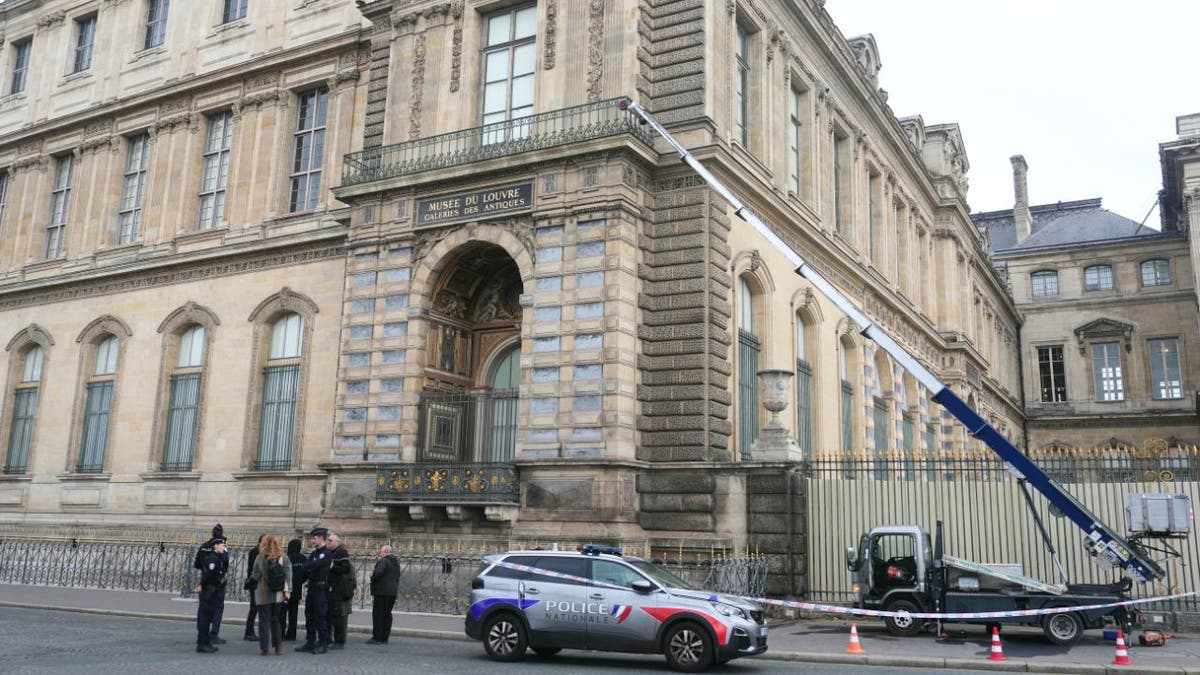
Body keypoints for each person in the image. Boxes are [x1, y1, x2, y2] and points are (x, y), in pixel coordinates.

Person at [249, 534, 292, 656]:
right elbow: (288, 574)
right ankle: (278, 646)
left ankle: (264, 648)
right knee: (275, 620)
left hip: (264, 594)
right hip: (278, 594)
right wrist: (288, 590)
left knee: (264, 621)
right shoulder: (283, 557)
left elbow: (255, 575)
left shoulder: (260, 557)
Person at [296, 527, 332, 655]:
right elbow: (306, 568)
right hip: (312, 587)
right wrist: (310, 566)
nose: (312, 540)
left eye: (314, 538)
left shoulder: (326, 553)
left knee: (320, 616)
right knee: (309, 615)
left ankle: (323, 643)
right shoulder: (314, 554)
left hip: (320, 589)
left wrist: (311, 565)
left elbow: (314, 565)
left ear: (321, 538)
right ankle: (310, 641)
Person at [193, 524, 228, 645]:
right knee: (217, 608)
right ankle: (213, 634)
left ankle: (202, 633)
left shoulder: (203, 547)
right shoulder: (221, 547)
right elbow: (225, 564)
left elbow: (197, 564)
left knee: (203, 609)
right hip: (216, 582)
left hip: (204, 579)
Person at [326, 532, 356, 650]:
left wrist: (332, 566)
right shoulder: (331, 553)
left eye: (331, 540)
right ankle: (329, 638)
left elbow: (346, 571)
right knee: (330, 616)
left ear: (337, 542)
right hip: (332, 589)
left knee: (339, 617)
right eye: (328, 540)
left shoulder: (342, 554)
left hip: (340, 591)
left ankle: (339, 640)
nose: (328, 542)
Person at [367, 544, 400, 644]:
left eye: (380, 552)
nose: (379, 554)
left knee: (378, 615)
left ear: (385, 552)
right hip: (392, 592)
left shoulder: (384, 561)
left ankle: (377, 637)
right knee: (387, 614)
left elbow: (378, 573)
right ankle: (385, 637)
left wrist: (372, 579)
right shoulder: (396, 562)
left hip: (381, 591)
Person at [282, 538, 306, 641]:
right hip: (297, 589)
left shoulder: (286, 558)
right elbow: (307, 572)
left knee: (282, 612)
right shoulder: (303, 558)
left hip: (286, 589)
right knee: (293, 612)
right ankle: (292, 633)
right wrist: (300, 581)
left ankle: (281, 633)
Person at [243, 533, 264, 641]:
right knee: (254, 608)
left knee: (256, 608)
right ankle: (248, 632)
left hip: (259, 584)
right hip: (254, 584)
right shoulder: (255, 552)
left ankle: (250, 631)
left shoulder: (260, 552)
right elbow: (254, 569)